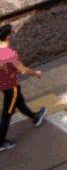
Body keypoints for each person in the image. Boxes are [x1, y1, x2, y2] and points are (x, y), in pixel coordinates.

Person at [0, 23, 46, 152]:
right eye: (13, 32)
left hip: (2, 86)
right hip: (12, 88)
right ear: (8, 36)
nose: (14, 34)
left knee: (20, 103)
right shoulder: (10, 54)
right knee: (7, 114)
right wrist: (36, 73)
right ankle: (1, 142)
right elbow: (23, 71)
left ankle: (35, 117)